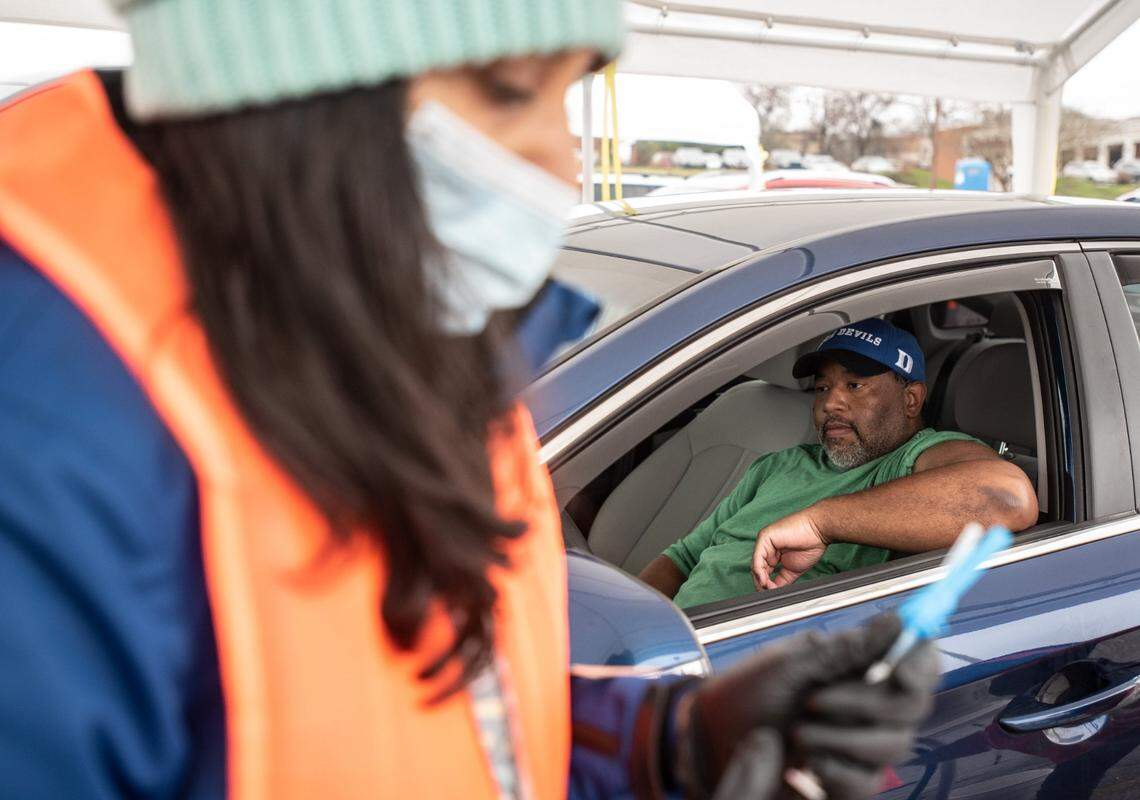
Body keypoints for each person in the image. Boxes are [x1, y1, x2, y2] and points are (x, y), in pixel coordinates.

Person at [0, 3, 938, 798]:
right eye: (508, 88)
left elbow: (440, 708)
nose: (560, 166)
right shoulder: (42, 438)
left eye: (569, 96)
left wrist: (662, 740)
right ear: (290, 75)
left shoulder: (396, 331)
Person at [640, 318, 1038, 608]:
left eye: (854, 385)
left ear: (911, 399)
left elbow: (1008, 499)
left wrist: (821, 522)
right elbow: (682, 558)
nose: (830, 403)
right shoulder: (778, 466)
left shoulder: (915, 458)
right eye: (823, 388)